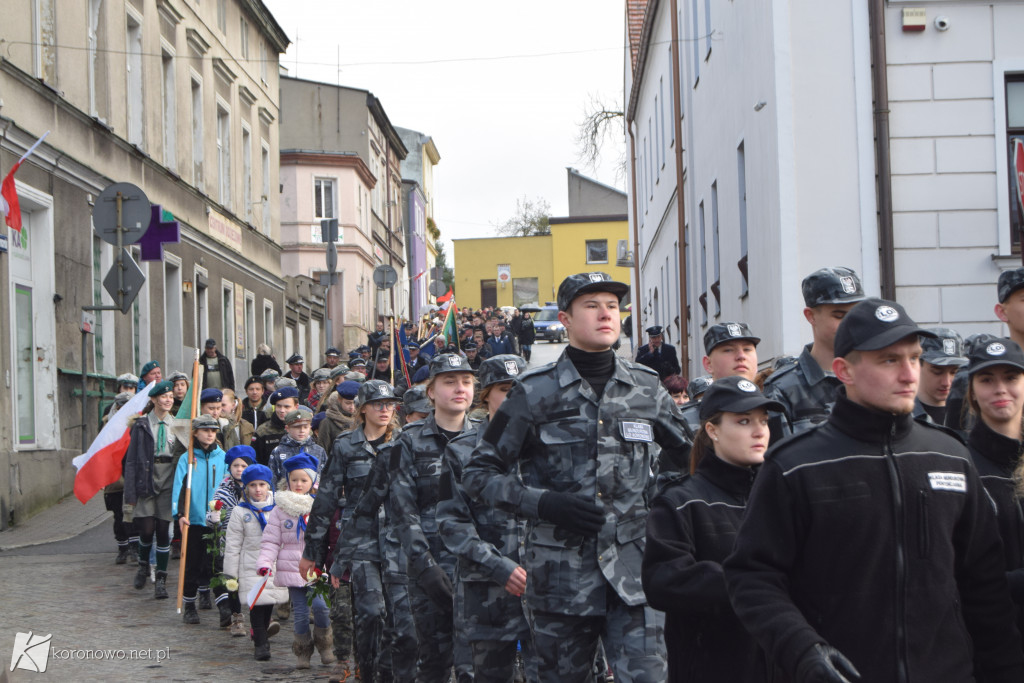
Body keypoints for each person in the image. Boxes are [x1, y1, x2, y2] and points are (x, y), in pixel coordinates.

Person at [724, 298, 1024, 682]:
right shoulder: (796, 465)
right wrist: (801, 647)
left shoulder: (949, 456)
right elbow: (751, 576)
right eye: (889, 360)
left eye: (914, 358)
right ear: (843, 370)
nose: (909, 374)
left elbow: (985, 590)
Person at [463, 272, 691, 682]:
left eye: (612, 305)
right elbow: (479, 474)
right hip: (560, 580)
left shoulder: (646, 387)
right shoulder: (533, 391)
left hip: (635, 574)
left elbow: (689, 459)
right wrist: (544, 503)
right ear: (565, 319)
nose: (605, 314)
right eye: (591, 305)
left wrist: (657, 506)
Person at [643, 376, 779, 682]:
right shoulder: (680, 503)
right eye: (744, 421)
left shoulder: (782, 497)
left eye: (764, 421)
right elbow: (661, 580)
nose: (759, 431)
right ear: (712, 430)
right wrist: (750, 584)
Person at [438, 354, 537, 683]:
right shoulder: (461, 451)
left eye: (520, 389)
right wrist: (499, 566)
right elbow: (452, 522)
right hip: (488, 593)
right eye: (505, 389)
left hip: (547, 589)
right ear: (486, 395)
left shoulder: (551, 447)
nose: (513, 397)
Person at [303, 380, 401, 682]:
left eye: (389, 404)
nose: (384, 409)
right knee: (370, 611)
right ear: (363, 409)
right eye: (377, 404)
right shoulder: (346, 445)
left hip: (400, 540)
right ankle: (366, 671)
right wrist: (313, 552)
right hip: (360, 540)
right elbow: (327, 498)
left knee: (398, 617)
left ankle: (388, 671)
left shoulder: (403, 442)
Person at [387, 353, 477, 682]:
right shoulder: (408, 442)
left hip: (477, 569)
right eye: (449, 382)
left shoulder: (486, 440)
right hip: (429, 568)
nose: (459, 389)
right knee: (435, 662)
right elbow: (402, 507)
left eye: (466, 382)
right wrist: (423, 564)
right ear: (431, 391)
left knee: (475, 664)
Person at [963, 337, 1024, 649]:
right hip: (990, 644)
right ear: (972, 391)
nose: (1000, 389)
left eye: (1011, 378)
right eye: (987, 380)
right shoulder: (960, 463)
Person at [763, 267, 866, 434]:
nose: (849, 324)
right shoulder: (782, 389)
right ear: (810, 316)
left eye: (855, 314)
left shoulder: (874, 376)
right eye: (839, 316)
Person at [257, 453, 336, 670]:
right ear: (287, 481)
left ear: (312, 482)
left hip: (316, 568)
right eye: (294, 480)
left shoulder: (321, 506)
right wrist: (265, 562)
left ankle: (325, 643)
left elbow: (330, 537)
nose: (299, 484)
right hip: (292, 568)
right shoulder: (280, 509)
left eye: (304, 480)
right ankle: (303, 651)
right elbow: (271, 540)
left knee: (321, 608)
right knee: (300, 613)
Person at [223, 463, 288, 661]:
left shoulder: (279, 509)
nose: (258, 489)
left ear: (269, 486)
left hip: (273, 565)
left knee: (267, 603)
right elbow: (233, 545)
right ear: (246, 488)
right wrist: (231, 575)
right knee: (256, 606)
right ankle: (261, 644)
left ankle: (261, 633)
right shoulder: (240, 512)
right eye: (252, 485)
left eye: (262, 484)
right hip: (250, 566)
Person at [122, 380, 178, 599]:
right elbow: (132, 460)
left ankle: (161, 579)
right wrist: (130, 493)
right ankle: (143, 565)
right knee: (146, 529)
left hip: (169, 479)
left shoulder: (178, 424)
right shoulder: (142, 424)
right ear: (154, 399)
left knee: (164, 531)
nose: (168, 400)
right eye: (164, 397)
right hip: (147, 476)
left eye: (171, 397)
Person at [172, 414, 228, 623]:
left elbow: (226, 484)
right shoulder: (186, 458)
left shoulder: (222, 457)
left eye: (213, 431)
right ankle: (189, 604)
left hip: (215, 519)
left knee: (215, 563)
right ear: (195, 432)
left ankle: (223, 606)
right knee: (192, 564)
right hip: (193, 519)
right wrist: (179, 514)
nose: (210, 434)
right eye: (205, 430)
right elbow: (178, 486)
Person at [677, 322, 760, 440]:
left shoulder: (774, 410)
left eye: (747, 349)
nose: (741, 356)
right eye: (728, 350)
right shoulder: (684, 421)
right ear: (708, 364)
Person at [212, 444, 255, 634]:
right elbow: (214, 509)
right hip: (231, 542)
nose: (239, 469)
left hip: (253, 542)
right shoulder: (224, 489)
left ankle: (261, 618)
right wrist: (213, 516)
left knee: (254, 579)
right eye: (236, 466)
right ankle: (237, 616)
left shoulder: (256, 486)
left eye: (243, 466)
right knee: (233, 581)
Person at [913, 327, 968, 424]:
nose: (946, 382)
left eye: (954, 372)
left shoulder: (970, 415)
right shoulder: (903, 415)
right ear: (918, 364)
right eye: (937, 372)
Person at [268, 407, 327, 490]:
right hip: (285, 496)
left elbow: (325, 476)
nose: (302, 431)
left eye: (305, 427)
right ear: (287, 428)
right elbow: (273, 478)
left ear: (310, 427)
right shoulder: (278, 451)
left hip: (313, 497)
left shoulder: (319, 450)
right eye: (297, 427)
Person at [253, 387, 298, 466]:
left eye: (287, 407)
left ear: (296, 407)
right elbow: (256, 460)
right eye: (279, 406)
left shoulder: (303, 429)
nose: (282, 410)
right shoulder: (263, 431)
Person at [318, 381, 359, 454]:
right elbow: (322, 450)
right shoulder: (327, 423)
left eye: (354, 403)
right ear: (339, 400)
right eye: (348, 403)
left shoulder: (361, 419)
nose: (352, 407)